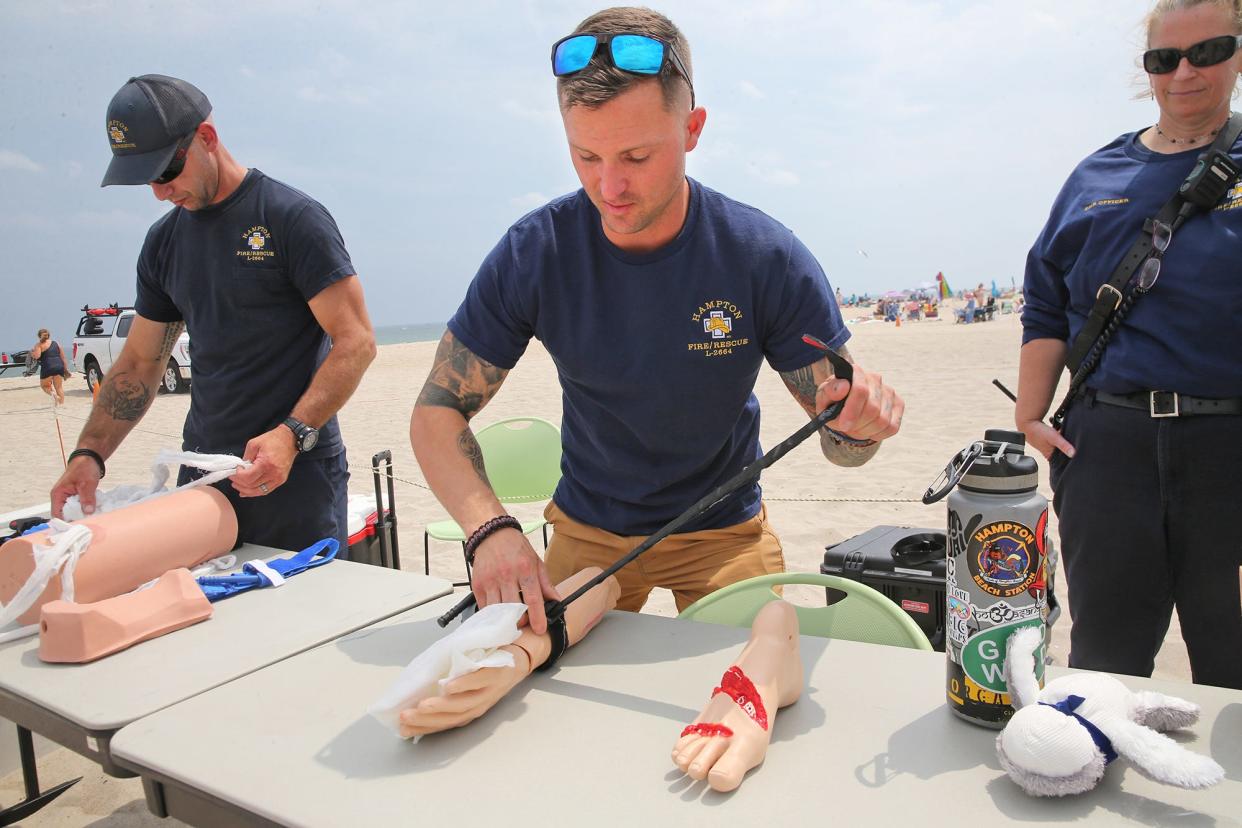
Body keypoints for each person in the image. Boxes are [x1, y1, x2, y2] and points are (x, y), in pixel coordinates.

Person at [410, 8, 903, 635]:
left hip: (725, 533)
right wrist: (490, 530)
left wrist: (860, 424)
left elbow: (842, 446)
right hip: (589, 530)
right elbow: (435, 412)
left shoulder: (763, 256)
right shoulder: (536, 252)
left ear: (693, 129)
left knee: (754, 680)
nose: (608, 186)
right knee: (541, 686)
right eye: (585, 155)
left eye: (637, 156)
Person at [48, 74, 376, 554]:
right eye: (147, 180)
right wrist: (90, 453)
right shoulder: (164, 244)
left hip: (294, 474)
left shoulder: (291, 219)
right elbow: (140, 363)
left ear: (205, 139)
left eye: (166, 171)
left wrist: (292, 434)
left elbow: (356, 342)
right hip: (202, 474)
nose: (160, 192)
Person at [1016, 0, 1242, 690]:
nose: (1184, 73)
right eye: (1164, 58)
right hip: (1107, 448)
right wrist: (1031, 416)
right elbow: (1046, 299)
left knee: (1232, 670)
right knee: (1103, 668)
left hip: (1227, 449)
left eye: (1208, 51)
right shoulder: (1095, 177)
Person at [30, 328, 67, 405]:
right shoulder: (56, 343)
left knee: (44, 386)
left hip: (48, 367)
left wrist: (32, 353)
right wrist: (65, 369)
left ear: (39, 336)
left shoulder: (38, 345)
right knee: (59, 387)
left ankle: (54, 396)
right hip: (59, 366)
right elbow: (63, 357)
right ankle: (61, 404)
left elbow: (37, 356)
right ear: (48, 335)